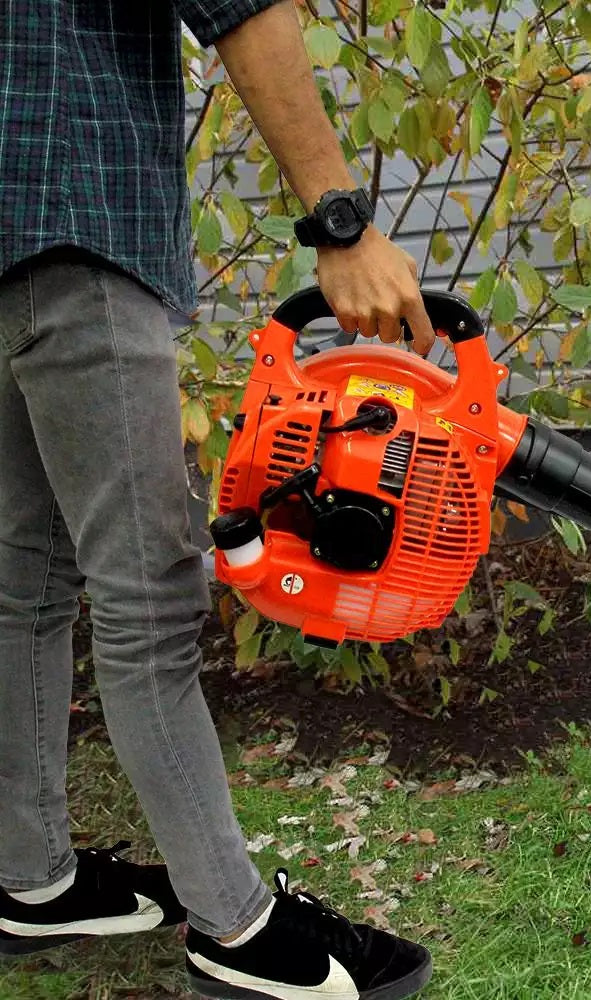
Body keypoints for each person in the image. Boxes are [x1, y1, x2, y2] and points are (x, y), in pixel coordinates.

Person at [0, 3, 439, 998]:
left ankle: (28, 878)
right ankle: (239, 935)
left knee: (24, 580)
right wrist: (342, 220)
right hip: (79, 221)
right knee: (147, 599)